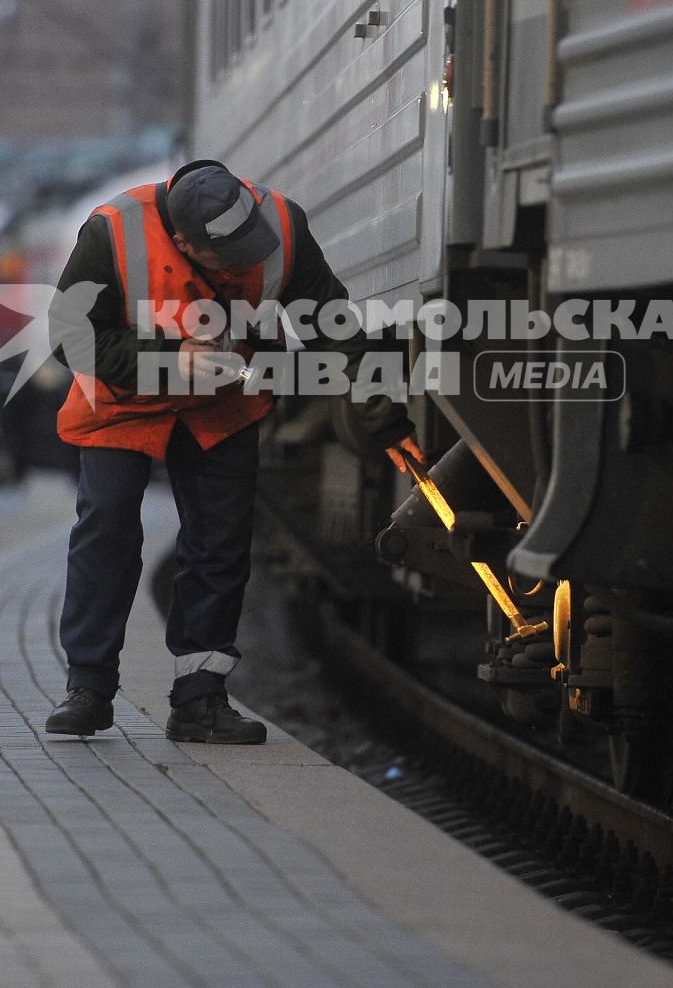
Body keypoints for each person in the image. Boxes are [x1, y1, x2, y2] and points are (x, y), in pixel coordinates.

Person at [43, 160, 419, 744]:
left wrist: (386, 418)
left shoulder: (283, 229)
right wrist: (168, 361)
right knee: (107, 528)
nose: (247, 264)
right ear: (186, 242)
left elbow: (332, 326)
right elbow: (70, 338)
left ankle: (200, 698)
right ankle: (88, 688)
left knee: (218, 543)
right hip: (124, 398)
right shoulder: (113, 230)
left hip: (222, 402)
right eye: (229, 256)